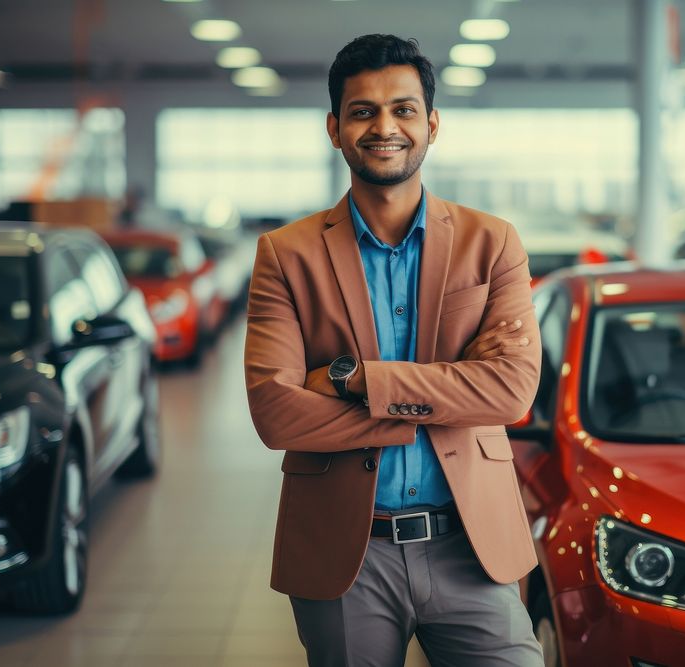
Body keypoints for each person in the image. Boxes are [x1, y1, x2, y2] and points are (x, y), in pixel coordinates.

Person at [244, 34, 545, 667]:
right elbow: (275, 413)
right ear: (335, 128)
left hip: (470, 544)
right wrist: (441, 398)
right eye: (363, 111)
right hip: (346, 552)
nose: (385, 127)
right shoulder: (286, 255)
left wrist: (355, 379)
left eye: (403, 109)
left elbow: (510, 390)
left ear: (431, 124)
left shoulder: (491, 243)